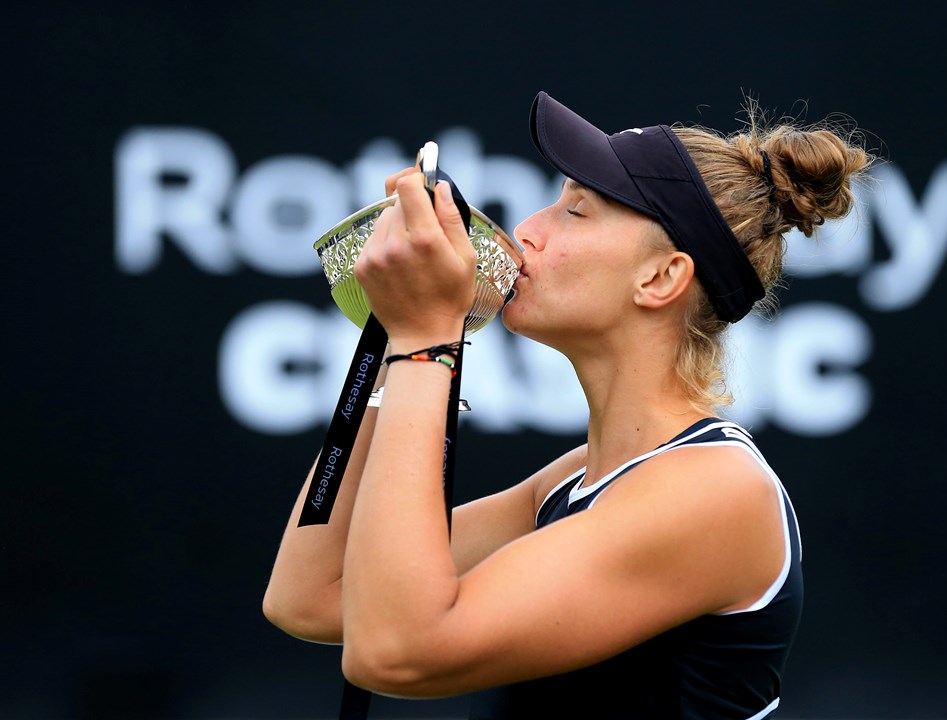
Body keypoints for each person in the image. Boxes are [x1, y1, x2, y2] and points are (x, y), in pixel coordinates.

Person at [263, 91, 871, 719]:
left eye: (576, 211)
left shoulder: (716, 491)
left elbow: (395, 652)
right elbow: (311, 593)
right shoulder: (578, 480)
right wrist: (398, 332)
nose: (527, 229)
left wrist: (425, 338)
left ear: (661, 278)